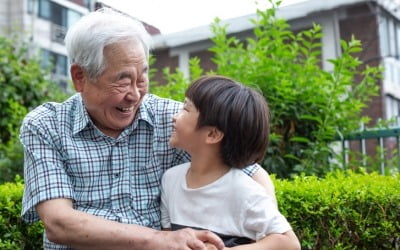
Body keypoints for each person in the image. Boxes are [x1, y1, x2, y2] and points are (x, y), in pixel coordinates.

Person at [19, 7, 278, 250]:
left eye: (142, 78)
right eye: (122, 80)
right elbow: (59, 223)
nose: (134, 94)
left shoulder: (173, 119)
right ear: (80, 77)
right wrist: (160, 240)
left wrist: (266, 230)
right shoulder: (46, 126)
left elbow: (251, 173)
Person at [161, 75, 301, 250]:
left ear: (212, 134)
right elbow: (167, 238)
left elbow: (289, 243)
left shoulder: (244, 191)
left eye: (185, 109)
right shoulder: (171, 179)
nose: (174, 116)